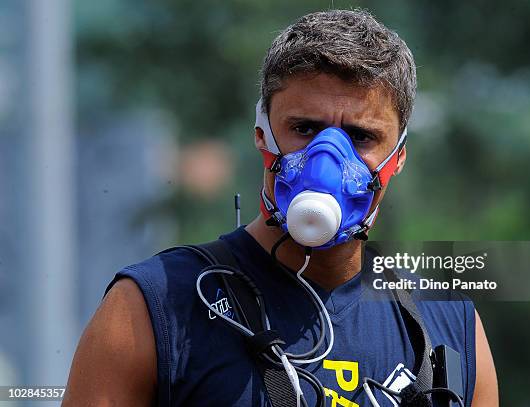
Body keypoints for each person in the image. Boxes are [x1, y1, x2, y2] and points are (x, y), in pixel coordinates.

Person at [63, 9, 498, 407]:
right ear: (261, 134)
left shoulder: (447, 324)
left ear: (398, 157)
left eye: (361, 137)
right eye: (305, 129)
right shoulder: (156, 307)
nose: (326, 160)